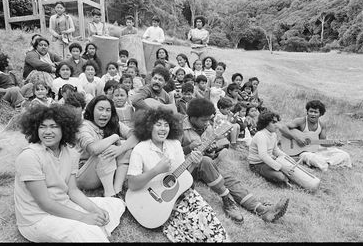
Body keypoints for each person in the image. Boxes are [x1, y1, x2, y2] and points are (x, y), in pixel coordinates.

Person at [14, 104, 125, 242]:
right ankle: (97, 232)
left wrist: (94, 210)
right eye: (42, 126)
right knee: (87, 231)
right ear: (35, 129)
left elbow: (72, 191)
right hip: (38, 218)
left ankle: (98, 230)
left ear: (65, 128)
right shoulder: (29, 156)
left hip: (64, 204)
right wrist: (84, 217)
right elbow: (45, 203)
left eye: (54, 126)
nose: (47, 131)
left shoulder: (70, 152)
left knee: (115, 204)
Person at [127, 108, 228, 242]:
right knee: (187, 234)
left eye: (166, 125)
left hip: (180, 195)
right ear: (148, 126)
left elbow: (181, 177)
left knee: (212, 227)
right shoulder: (140, 149)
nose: (163, 129)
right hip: (154, 200)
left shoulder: (174, 144)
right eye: (158, 124)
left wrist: (193, 163)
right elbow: (132, 184)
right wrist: (156, 171)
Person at [181, 98, 290, 223]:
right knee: (205, 161)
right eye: (204, 120)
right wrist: (189, 147)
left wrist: (211, 148)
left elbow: (208, 150)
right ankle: (227, 199)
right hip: (186, 169)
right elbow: (172, 154)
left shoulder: (208, 127)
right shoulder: (178, 128)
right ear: (192, 118)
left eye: (208, 120)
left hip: (205, 166)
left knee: (230, 180)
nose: (207, 123)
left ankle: (261, 210)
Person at [76, 95, 139, 199]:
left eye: (108, 110)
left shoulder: (113, 123)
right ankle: (109, 193)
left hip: (104, 172)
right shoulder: (84, 126)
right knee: (106, 148)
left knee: (126, 147)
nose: (104, 114)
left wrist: (120, 149)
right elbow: (93, 149)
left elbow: (135, 136)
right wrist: (115, 137)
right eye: (100, 109)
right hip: (84, 175)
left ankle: (117, 190)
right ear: (92, 110)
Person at [279, 100, 351, 171]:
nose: (312, 114)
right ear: (307, 112)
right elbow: (282, 127)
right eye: (311, 111)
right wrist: (297, 138)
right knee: (310, 157)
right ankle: (326, 164)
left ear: (320, 114)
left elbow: (322, 142)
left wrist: (334, 143)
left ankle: (325, 164)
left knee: (344, 155)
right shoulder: (301, 121)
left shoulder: (322, 125)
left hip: (315, 150)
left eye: (315, 112)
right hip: (303, 152)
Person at [248, 111, 293, 187]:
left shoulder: (273, 134)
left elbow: (275, 150)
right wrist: (281, 167)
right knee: (280, 176)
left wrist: (287, 157)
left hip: (268, 161)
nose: (276, 125)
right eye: (273, 122)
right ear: (265, 123)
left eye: (277, 122)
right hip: (257, 164)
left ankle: (286, 178)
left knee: (290, 167)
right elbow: (264, 156)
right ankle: (284, 181)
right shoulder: (261, 135)